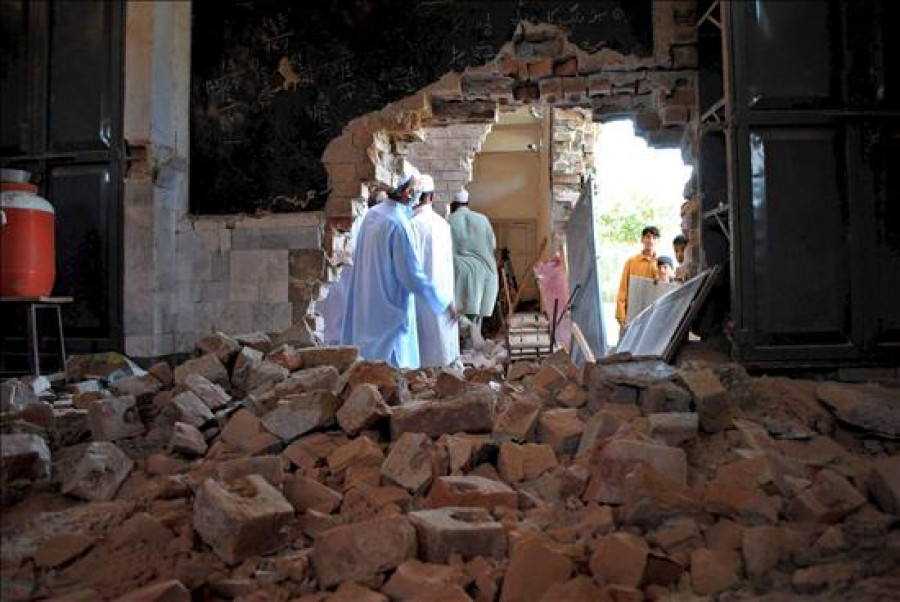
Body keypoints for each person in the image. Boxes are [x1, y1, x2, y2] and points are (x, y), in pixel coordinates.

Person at [341, 173, 456, 369]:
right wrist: (441, 302)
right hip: (390, 312)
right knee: (391, 373)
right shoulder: (398, 223)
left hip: (367, 305)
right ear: (407, 192)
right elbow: (411, 274)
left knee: (366, 368)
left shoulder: (373, 215)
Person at [410, 174, 461, 368]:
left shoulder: (410, 225)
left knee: (423, 347)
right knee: (443, 345)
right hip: (443, 292)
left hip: (420, 294)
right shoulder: (442, 224)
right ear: (432, 197)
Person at [448, 188, 499, 349]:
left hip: (459, 271)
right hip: (485, 270)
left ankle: (464, 340)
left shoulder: (448, 220)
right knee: (476, 312)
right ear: (467, 203)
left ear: (453, 205)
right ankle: (474, 340)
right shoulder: (482, 219)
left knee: (461, 311)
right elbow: (493, 245)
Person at [616, 225, 660, 329]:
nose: (651, 240)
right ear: (642, 239)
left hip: (652, 317)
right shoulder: (631, 262)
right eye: (648, 237)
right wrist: (621, 317)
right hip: (632, 315)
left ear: (658, 241)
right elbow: (623, 290)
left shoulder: (661, 264)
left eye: (654, 238)